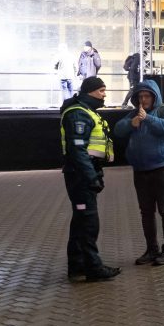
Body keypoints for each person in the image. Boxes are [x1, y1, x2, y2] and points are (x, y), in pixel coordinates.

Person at [113, 79, 164, 267]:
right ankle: (152, 249)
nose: (143, 99)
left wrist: (148, 119)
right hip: (141, 170)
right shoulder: (135, 113)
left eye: (147, 96)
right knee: (146, 213)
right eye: (140, 96)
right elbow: (118, 130)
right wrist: (132, 123)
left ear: (154, 96)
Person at [60, 76, 120, 282]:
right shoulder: (78, 113)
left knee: (81, 221)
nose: (104, 95)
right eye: (101, 91)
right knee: (88, 222)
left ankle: (77, 266)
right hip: (81, 176)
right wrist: (90, 177)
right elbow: (77, 150)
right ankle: (93, 267)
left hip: (84, 173)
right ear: (90, 91)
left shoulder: (86, 112)